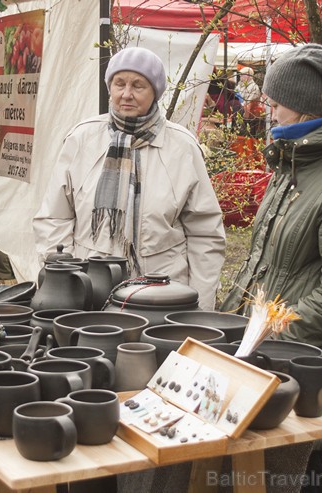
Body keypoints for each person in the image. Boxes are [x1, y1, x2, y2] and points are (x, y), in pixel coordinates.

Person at [221, 44, 322, 493]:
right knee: (256, 472)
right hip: (262, 355)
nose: (265, 110)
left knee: (296, 471)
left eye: (274, 104)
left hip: (297, 362)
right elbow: (265, 262)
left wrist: (270, 336)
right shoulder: (294, 157)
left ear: (308, 104)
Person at [33, 47, 226, 310]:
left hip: (162, 295)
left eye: (138, 85)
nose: (126, 94)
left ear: (155, 91)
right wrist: (66, 281)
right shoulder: (81, 139)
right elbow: (55, 218)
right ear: (109, 87)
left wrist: (200, 307)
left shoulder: (182, 147)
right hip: (91, 291)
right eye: (119, 83)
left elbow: (205, 234)